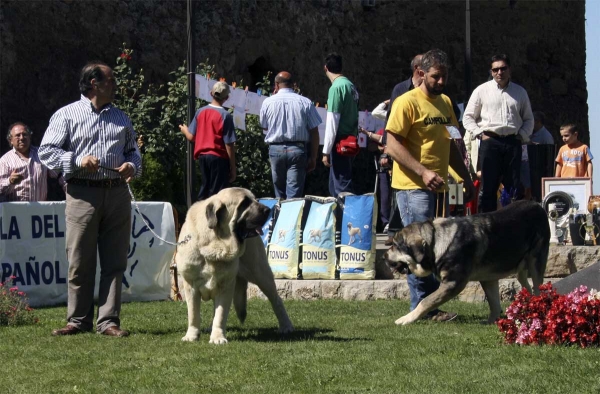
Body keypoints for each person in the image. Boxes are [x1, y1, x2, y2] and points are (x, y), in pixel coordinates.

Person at [39, 61, 142, 337]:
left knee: (115, 261)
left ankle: (108, 321)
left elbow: (133, 152)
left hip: (117, 193)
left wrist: (132, 166)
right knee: (80, 260)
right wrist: (76, 160)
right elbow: (46, 152)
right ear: (94, 84)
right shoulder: (67, 115)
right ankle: (78, 320)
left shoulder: (121, 117)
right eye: (111, 80)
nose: (115, 85)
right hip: (82, 193)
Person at [385, 49, 475, 322]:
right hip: (413, 188)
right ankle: (424, 309)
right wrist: (423, 172)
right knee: (418, 248)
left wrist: (466, 178)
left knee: (435, 247)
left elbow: (452, 144)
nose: (441, 82)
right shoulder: (406, 102)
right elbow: (391, 145)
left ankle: (429, 306)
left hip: (439, 188)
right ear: (422, 73)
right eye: (436, 76)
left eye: (444, 77)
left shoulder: (446, 103)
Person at [463, 53, 534, 212]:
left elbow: (529, 119)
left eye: (503, 68)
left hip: (512, 142)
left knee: (513, 188)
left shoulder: (520, 92)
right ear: (491, 71)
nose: (499, 73)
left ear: (509, 70)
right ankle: (486, 229)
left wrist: (521, 136)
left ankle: (511, 225)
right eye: (495, 70)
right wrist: (479, 133)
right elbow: (467, 117)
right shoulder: (481, 90)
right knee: (488, 187)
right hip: (490, 143)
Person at [259, 71, 321, 199]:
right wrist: (313, 157)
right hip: (297, 150)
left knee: (279, 193)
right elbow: (314, 131)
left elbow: (264, 126)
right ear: (294, 85)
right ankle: (291, 217)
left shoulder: (268, 102)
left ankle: (280, 216)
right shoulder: (305, 102)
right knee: (294, 195)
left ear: (276, 85)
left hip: (276, 149)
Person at [179, 81, 236, 201]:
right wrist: (233, 167)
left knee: (205, 188)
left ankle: (199, 213)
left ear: (211, 93)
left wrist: (184, 130)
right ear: (226, 98)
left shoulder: (200, 112)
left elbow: (192, 137)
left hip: (203, 157)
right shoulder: (225, 115)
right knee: (217, 193)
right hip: (218, 158)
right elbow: (229, 143)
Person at [321, 53, 359, 197]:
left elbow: (332, 121)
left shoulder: (336, 88)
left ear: (326, 68)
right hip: (350, 140)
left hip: (339, 143)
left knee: (341, 188)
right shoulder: (350, 86)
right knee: (338, 185)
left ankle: (346, 218)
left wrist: (326, 151)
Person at [0, 122, 64, 201]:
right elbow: (1, 191)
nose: (22, 138)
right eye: (17, 135)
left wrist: (70, 190)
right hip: (15, 211)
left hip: (40, 210)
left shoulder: (41, 154)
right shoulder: (5, 161)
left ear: (30, 137)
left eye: (25, 134)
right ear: (11, 140)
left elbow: (59, 174)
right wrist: (10, 181)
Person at [520, 111, 555, 200]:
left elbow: (548, 155)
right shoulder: (530, 133)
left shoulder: (546, 136)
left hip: (537, 170)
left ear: (538, 122)